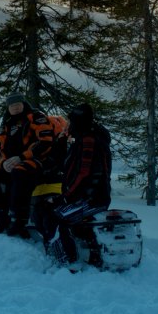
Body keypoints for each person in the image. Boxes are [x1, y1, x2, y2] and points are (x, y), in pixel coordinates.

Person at [0, 93, 67, 238]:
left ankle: (19, 219)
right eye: (12, 105)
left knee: (20, 171)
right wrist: (3, 162)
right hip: (10, 163)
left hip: (35, 161)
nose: (16, 107)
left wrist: (21, 158)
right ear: (8, 108)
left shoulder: (36, 117)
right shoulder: (7, 123)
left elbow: (45, 141)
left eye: (18, 104)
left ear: (24, 104)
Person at [51, 102, 112, 262]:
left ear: (79, 121)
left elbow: (83, 174)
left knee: (57, 217)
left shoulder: (88, 141)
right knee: (66, 215)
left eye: (71, 121)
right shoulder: (85, 139)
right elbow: (66, 164)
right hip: (92, 197)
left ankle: (67, 259)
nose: (69, 125)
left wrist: (67, 195)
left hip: (91, 199)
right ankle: (93, 251)